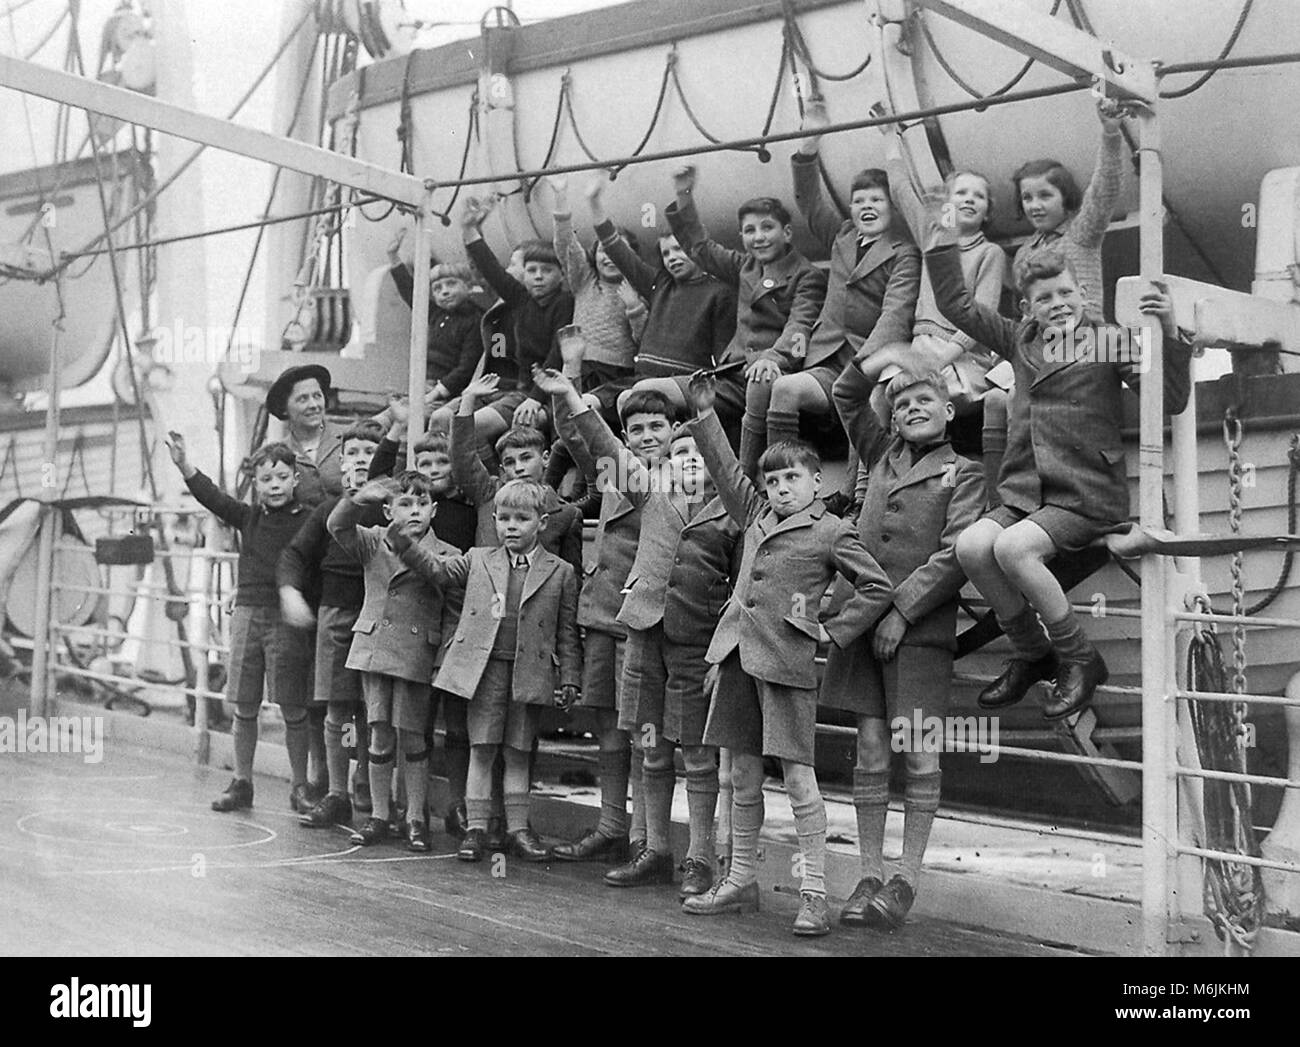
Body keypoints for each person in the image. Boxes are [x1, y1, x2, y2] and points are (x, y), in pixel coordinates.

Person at [931, 239, 1193, 721]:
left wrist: (1170, 329)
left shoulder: (1110, 339)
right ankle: (1034, 654)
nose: (1059, 305)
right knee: (972, 546)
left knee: (1012, 550)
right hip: (1025, 493)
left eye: (1066, 293)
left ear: (1083, 295)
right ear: (1028, 306)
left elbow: (1170, 398)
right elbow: (956, 304)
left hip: (1084, 494)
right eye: (1046, 298)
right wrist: (938, 239)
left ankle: (1080, 659)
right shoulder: (1018, 339)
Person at [681, 374, 892, 936]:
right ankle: (740, 880)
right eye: (771, 480)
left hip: (787, 667)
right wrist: (705, 416)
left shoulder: (832, 531)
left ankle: (814, 895)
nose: (779, 488)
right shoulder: (753, 516)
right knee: (742, 776)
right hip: (736, 661)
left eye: (791, 478)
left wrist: (829, 631)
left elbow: (876, 588)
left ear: (817, 481)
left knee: (800, 782)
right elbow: (727, 472)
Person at [535, 366, 742, 897]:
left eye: (697, 458)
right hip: (645, 631)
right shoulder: (651, 494)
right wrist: (570, 396)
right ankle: (652, 848)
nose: (687, 466)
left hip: (697, 642)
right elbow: (606, 445)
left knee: (696, 751)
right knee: (648, 744)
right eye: (679, 460)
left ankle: (698, 858)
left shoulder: (730, 514)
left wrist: (703, 414)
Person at [827, 353, 985, 930]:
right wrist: (880, 360)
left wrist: (900, 611)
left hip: (918, 634)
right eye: (901, 404)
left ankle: (906, 879)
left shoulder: (964, 473)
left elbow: (955, 554)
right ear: (890, 421)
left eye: (924, 401)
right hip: (860, 626)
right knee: (870, 749)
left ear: (948, 411)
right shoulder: (879, 455)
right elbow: (847, 395)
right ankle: (869, 872)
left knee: (918, 752)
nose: (913, 409)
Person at [392, 480, 582, 863]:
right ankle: (476, 828)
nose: (512, 526)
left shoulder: (561, 572)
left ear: (542, 523)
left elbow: (566, 634)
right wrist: (403, 543)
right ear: (494, 520)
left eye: (522, 519)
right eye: (504, 518)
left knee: (517, 753)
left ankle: (517, 830)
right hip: (485, 673)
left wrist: (570, 679)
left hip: (529, 673)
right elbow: (437, 570)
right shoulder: (478, 559)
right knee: (481, 750)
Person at [546, 353, 676, 866]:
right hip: (603, 611)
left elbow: (599, 443)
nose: (646, 435)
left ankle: (647, 837)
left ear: (673, 430)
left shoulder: (681, 477)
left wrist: (578, 402)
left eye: (656, 427)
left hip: (643, 618)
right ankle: (611, 826)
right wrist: (562, 400)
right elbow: (582, 442)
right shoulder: (615, 469)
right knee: (608, 728)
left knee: (643, 731)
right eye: (636, 428)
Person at [167, 435, 315, 813]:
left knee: (293, 706)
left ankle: (300, 787)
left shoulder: (310, 518)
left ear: (295, 479)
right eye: (267, 480)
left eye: (283, 477)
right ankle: (242, 781)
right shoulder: (247, 517)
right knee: (244, 705)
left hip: (287, 621)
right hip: (248, 613)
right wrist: (184, 464)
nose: (276, 485)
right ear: (257, 485)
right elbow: (212, 497)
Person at [327, 472, 460, 850]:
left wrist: (401, 542)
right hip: (374, 649)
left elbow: (438, 575)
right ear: (387, 510)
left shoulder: (448, 552)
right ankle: (380, 816)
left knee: (415, 735)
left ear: (435, 510)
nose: (414, 511)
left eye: (422, 503)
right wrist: (357, 500)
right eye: (405, 503)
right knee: (379, 731)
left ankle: (417, 818)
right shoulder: (372, 542)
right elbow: (336, 525)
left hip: (416, 653)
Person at [787, 99, 920, 470]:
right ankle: (773, 472)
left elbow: (895, 315)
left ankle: (855, 493)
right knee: (784, 389)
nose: (867, 206)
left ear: (892, 207)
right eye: (859, 200)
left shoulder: (904, 252)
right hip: (826, 355)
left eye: (877, 200)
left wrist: (864, 365)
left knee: (865, 402)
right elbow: (809, 201)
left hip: (867, 356)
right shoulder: (842, 236)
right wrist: (809, 143)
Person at [666, 164, 827, 460]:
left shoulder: (807, 276)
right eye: (750, 230)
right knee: (647, 391)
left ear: (787, 232)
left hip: (769, 376)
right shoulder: (746, 267)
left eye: (767, 227)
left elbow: (800, 329)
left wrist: (772, 358)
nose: (759, 237)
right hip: (729, 376)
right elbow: (700, 247)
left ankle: (750, 480)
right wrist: (684, 193)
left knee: (760, 381)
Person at [874, 107, 1006, 452]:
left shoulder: (990, 253)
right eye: (961, 193)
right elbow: (902, 191)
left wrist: (941, 359)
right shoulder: (933, 236)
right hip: (920, 347)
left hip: (959, 356)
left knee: (927, 399)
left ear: (988, 210)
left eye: (978, 196)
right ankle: (869, 485)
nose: (969, 200)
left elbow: (982, 317)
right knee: (877, 397)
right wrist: (890, 138)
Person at [278, 419, 387, 827]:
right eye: (354, 454)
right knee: (337, 710)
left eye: (369, 453)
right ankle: (337, 792)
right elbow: (294, 554)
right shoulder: (327, 511)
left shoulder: (392, 508)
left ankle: (371, 793)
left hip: (378, 617)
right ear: (341, 464)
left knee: (373, 712)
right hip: (337, 614)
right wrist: (290, 591)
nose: (361, 461)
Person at [582, 176, 737, 418]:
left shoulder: (720, 293)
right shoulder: (660, 283)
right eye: (666, 253)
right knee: (586, 402)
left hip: (678, 384)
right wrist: (594, 204)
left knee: (630, 399)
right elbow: (619, 252)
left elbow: (723, 354)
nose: (672, 257)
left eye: (679, 250)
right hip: (639, 379)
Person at [461, 195, 574, 431]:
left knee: (476, 428)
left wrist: (535, 398)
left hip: (544, 393)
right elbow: (491, 269)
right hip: (519, 389)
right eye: (532, 270)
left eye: (547, 270)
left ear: (562, 275)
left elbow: (556, 354)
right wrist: (470, 229)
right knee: (444, 418)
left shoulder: (563, 303)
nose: (539, 276)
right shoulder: (521, 298)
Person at [266, 364, 344, 508]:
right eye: (303, 399)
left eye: (317, 396)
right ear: (284, 409)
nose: (313, 405)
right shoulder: (280, 454)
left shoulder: (349, 438)